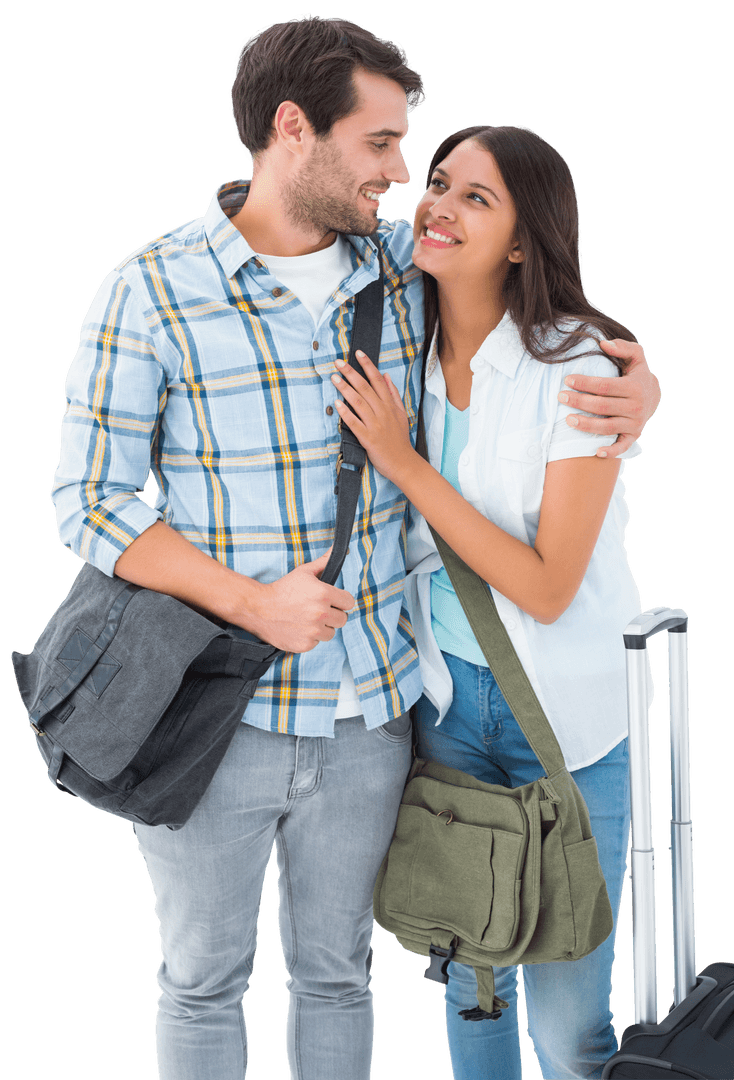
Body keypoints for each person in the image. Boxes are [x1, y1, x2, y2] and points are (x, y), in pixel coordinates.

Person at [49, 14, 659, 1079]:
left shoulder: (397, 263)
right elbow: (89, 504)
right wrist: (250, 602)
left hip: (379, 713)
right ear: (295, 128)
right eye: (380, 145)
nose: (401, 179)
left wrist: (636, 388)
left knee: (337, 975)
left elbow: (526, 316)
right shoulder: (147, 293)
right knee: (200, 981)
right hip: (214, 709)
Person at [331, 124, 647, 1080]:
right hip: (445, 707)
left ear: (523, 239)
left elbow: (548, 585)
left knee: (568, 1029)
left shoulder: (581, 370)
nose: (438, 205)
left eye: (478, 197)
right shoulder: (402, 343)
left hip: (563, 722)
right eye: (438, 184)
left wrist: (403, 463)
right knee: (474, 988)